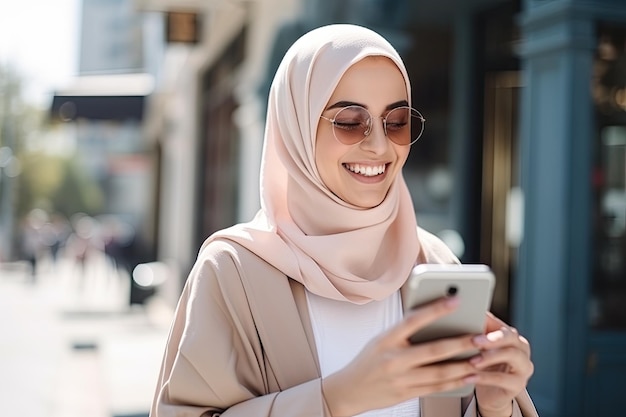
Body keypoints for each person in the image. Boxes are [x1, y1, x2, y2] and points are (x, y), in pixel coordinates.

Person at [150, 24, 537, 417]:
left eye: (397, 121)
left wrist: (495, 405)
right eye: (350, 121)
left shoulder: (430, 261)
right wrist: (339, 398)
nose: (379, 145)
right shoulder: (234, 270)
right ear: (296, 127)